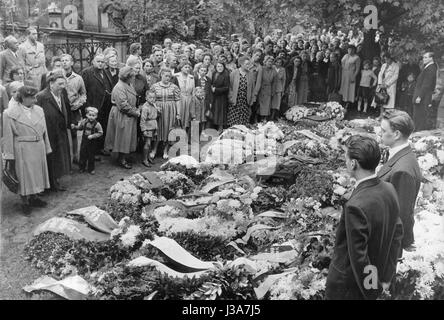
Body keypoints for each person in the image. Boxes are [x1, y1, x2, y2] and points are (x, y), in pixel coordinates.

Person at [326, 135, 403, 300]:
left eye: (346, 158)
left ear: (353, 163)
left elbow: (359, 258)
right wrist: (386, 277)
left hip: (349, 288)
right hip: (378, 273)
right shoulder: (389, 189)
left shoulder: (355, 206)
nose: (345, 162)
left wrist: (372, 290)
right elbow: (397, 235)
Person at [2, 86, 52, 215]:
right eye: (32, 97)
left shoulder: (39, 110)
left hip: (38, 146)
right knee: (24, 176)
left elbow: (44, 130)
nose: (35, 100)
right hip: (22, 149)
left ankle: (34, 197)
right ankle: (24, 202)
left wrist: (47, 147)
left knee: (37, 174)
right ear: (23, 98)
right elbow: (8, 136)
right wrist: (9, 155)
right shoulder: (9, 113)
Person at [378, 109, 422, 252]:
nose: (380, 133)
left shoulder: (402, 170)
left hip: (387, 244)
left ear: (396, 134)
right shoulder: (402, 155)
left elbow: (402, 214)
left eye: (383, 130)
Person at [36, 70, 71, 191]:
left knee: (58, 156)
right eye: (59, 84)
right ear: (51, 83)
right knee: (50, 157)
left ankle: (55, 180)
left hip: (59, 130)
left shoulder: (61, 94)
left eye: (64, 84)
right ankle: (49, 183)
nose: (62, 87)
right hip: (48, 131)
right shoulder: (41, 96)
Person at [104, 66, 140, 169]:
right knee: (123, 137)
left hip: (128, 114)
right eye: (132, 76)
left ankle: (124, 156)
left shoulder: (128, 84)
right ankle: (121, 158)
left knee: (126, 136)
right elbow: (123, 106)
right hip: (122, 115)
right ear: (127, 77)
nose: (134, 78)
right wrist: (136, 112)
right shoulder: (119, 87)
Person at [81, 54, 113, 156]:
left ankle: (99, 149)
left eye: (102, 62)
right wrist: (87, 107)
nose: (100, 64)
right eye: (98, 61)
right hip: (93, 106)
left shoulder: (106, 72)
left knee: (101, 127)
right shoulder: (87, 72)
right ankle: (91, 153)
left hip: (104, 106)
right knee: (91, 129)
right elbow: (83, 91)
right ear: (93, 62)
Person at [61, 54, 87, 165]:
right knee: (63, 134)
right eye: (62, 60)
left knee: (74, 133)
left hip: (73, 110)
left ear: (71, 63)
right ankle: (65, 158)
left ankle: (76, 156)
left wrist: (79, 103)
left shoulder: (78, 78)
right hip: (61, 110)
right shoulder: (58, 77)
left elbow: (83, 94)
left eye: (66, 60)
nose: (64, 62)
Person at [150, 68, 181, 160]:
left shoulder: (174, 87)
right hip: (158, 110)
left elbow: (178, 100)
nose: (168, 78)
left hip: (170, 110)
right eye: (166, 76)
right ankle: (154, 149)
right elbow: (151, 99)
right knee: (157, 129)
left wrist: (178, 113)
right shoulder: (154, 86)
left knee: (169, 129)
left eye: (169, 76)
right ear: (161, 75)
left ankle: (166, 150)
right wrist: (155, 107)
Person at [71, 107, 103, 174]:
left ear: (96, 116)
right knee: (83, 154)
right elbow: (80, 128)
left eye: (93, 116)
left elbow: (100, 133)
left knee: (91, 156)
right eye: (90, 115)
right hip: (84, 141)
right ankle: (82, 168)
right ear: (86, 115)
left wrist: (93, 136)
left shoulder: (97, 124)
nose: (91, 117)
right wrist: (75, 127)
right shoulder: (84, 122)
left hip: (92, 142)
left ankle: (91, 169)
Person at [412, 52, 438, 131]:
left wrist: (420, 96)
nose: (424, 59)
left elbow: (426, 84)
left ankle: (419, 131)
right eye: (423, 57)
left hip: (424, 96)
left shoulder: (431, 68)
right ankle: (418, 130)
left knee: (420, 115)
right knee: (418, 114)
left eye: (426, 57)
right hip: (423, 95)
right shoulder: (428, 67)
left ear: (431, 58)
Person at [228, 55, 256, 126]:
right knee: (234, 119)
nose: (248, 65)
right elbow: (230, 86)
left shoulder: (251, 74)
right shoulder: (234, 73)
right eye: (247, 64)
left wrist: (252, 99)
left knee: (244, 120)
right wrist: (231, 98)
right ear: (241, 64)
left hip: (245, 101)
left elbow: (253, 88)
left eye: (249, 64)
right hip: (235, 100)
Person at [140, 90, 160, 167]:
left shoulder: (154, 105)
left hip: (153, 126)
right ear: (146, 98)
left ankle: (148, 157)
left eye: (154, 98)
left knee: (150, 143)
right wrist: (143, 130)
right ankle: (144, 159)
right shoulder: (145, 107)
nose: (152, 99)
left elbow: (156, 115)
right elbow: (142, 120)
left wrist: (158, 111)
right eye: (150, 97)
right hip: (148, 127)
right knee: (147, 144)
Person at [255, 55, 277, 121]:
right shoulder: (261, 69)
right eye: (269, 61)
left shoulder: (273, 70)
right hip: (261, 89)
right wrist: (256, 91)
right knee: (260, 105)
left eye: (271, 62)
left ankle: (264, 119)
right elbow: (258, 81)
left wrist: (273, 91)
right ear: (265, 62)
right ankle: (257, 119)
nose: (270, 63)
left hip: (269, 90)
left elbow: (274, 82)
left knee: (267, 106)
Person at [175, 61, 195, 132]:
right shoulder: (176, 76)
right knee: (179, 116)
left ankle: (185, 133)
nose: (187, 69)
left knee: (187, 117)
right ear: (181, 68)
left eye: (189, 67)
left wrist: (192, 100)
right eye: (185, 67)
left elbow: (193, 90)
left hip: (189, 99)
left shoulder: (191, 77)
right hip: (179, 99)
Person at [340, 45, 361, 109]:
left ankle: (348, 103)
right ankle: (343, 101)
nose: (350, 51)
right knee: (344, 87)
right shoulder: (345, 56)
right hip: (344, 73)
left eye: (352, 49)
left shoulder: (357, 57)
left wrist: (354, 76)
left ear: (354, 50)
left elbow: (357, 68)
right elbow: (342, 63)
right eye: (349, 49)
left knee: (350, 88)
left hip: (351, 74)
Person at [211, 62, 230, 131]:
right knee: (215, 112)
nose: (219, 68)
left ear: (224, 67)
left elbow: (226, 88)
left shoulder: (226, 75)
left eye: (221, 66)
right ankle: (215, 127)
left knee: (221, 112)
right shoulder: (214, 74)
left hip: (222, 96)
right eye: (218, 66)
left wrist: (216, 89)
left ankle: (220, 128)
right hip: (215, 96)